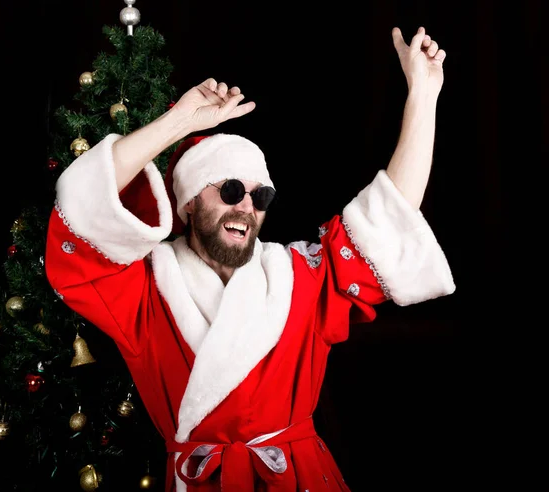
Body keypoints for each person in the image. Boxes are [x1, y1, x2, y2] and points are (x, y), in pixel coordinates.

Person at [45, 26, 455, 491]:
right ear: (189, 203)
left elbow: (390, 215)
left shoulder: (302, 276)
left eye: (260, 196)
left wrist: (424, 95)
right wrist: (179, 122)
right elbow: (82, 216)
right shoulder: (144, 290)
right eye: (231, 189)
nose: (247, 206)